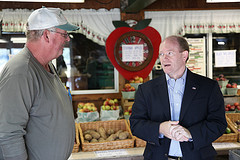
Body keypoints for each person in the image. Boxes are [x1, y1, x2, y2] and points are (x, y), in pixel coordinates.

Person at [129, 35, 227, 160]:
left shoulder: (208, 87)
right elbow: (135, 124)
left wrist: (191, 133)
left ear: (184, 55)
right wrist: (160, 129)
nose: (164, 58)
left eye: (170, 53)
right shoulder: (146, 89)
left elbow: (218, 124)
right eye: (161, 54)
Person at [0, 7, 79, 160]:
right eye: (64, 34)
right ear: (47, 35)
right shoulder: (21, 71)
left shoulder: (48, 65)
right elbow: (8, 133)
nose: (68, 39)